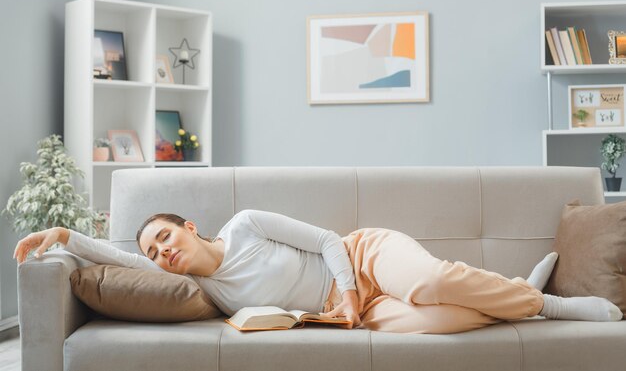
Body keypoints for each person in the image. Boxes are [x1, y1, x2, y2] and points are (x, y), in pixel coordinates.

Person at [13, 209, 623, 334]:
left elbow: (331, 239)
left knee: (430, 281)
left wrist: (354, 291)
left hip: (362, 257)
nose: (160, 253)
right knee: (443, 320)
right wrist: (65, 236)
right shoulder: (198, 289)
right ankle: (523, 291)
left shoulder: (245, 224)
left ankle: (552, 305)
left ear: (190, 228)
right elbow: (118, 261)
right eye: (151, 251)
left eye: (165, 237)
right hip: (347, 313)